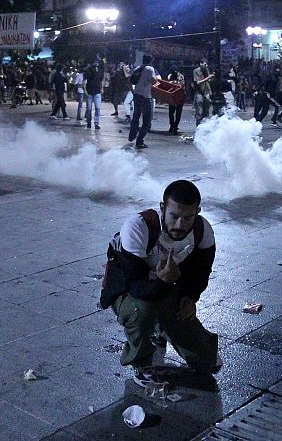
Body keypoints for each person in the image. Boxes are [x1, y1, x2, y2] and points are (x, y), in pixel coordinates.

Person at [101, 180, 219, 387]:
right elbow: (135, 285)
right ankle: (141, 362)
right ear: (163, 208)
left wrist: (190, 298)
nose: (180, 225)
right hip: (130, 291)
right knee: (144, 309)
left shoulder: (203, 231)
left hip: (168, 288)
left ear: (197, 212)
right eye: (174, 216)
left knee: (205, 362)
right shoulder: (139, 227)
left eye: (188, 218)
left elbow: (201, 273)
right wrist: (164, 281)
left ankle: (165, 328)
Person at [128, 54, 157, 149]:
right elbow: (154, 81)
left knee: (136, 116)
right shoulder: (150, 69)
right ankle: (140, 141)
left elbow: (131, 80)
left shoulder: (137, 68)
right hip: (145, 96)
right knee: (147, 120)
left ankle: (132, 135)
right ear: (150, 61)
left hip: (136, 94)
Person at [192, 60, 214, 126]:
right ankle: (198, 127)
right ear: (200, 64)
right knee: (199, 112)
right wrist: (208, 77)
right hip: (199, 92)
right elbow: (198, 82)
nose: (206, 66)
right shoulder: (196, 71)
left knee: (206, 112)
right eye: (205, 64)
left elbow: (208, 82)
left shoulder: (206, 70)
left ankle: (204, 128)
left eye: (207, 64)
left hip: (206, 92)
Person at [84, 61, 103, 129]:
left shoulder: (100, 70)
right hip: (90, 92)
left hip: (97, 92)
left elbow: (101, 80)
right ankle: (89, 122)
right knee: (89, 109)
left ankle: (96, 123)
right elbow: (85, 81)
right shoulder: (88, 70)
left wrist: (101, 88)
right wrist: (85, 90)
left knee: (97, 108)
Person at [167, 67, 185, 135]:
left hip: (179, 96)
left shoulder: (180, 76)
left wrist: (175, 82)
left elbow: (182, 85)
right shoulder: (170, 76)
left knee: (178, 113)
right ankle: (172, 126)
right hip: (172, 96)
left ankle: (175, 126)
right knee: (171, 113)